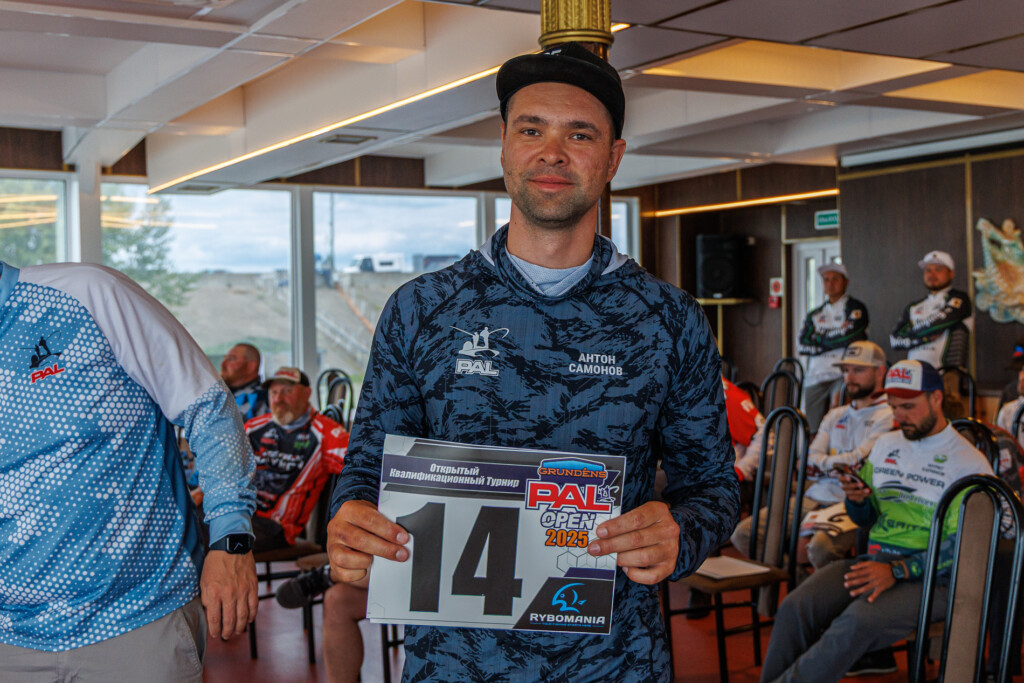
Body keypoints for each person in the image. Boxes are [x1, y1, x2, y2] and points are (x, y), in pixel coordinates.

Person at [326, 42, 739, 681]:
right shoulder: (422, 309)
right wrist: (351, 517)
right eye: (531, 130)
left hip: (615, 663)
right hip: (453, 665)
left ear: (613, 158)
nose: (553, 152)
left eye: (580, 134)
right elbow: (367, 470)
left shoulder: (668, 318)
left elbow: (712, 487)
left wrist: (682, 533)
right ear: (503, 147)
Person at [0, 260, 258, 681]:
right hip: (10, 637)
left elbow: (208, 408)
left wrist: (231, 539)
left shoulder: (87, 292)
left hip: (136, 617)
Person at [760, 360, 993, 683]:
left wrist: (897, 571)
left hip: (935, 579)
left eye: (908, 407)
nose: (899, 416)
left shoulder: (968, 463)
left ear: (936, 398)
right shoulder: (886, 445)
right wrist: (857, 501)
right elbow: (866, 519)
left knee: (855, 623)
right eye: (894, 407)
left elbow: (966, 550)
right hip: (876, 561)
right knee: (795, 607)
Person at [731, 341, 893, 569]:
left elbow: (857, 461)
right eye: (846, 370)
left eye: (858, 370)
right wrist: (837, 465)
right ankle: (800, 582)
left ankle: (817, 587)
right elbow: (810, 459)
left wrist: (822, 466)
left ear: (880, 372)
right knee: (743, 534)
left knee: (818, 549)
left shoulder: (889, 414)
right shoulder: (835, 414)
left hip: (852, 502)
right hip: (814, 495)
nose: (849, 377)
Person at [242, 367, 348, 552]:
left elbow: (362, 466)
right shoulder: (253, 428)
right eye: (274, 392)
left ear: (307, 393)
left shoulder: (326, 433)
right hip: (241, 513)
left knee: (203, 532)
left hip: (276, 528)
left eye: (287, 391)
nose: (278, 398)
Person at [797, 263, 869, 432]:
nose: (830, 284)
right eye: (826, 280)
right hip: (816, 375)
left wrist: (819, 339)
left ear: (846, 282)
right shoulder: (815, 314)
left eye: (835, 279)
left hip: (842, 374)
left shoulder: (855, 308)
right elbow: (802, 345)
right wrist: (835, 337)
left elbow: (851, 336)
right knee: (811, 428)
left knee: (837, 419)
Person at [890, 250, 972, 370]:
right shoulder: (913, 306)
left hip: (946, 373)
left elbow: (936, 325)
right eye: (928, 270)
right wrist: (923, 339)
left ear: (951, 273)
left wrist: (911, 334)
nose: (932, 274)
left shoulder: (960, 299)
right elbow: (894, 341)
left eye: (938, 269)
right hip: (913, 373)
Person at [221, 342, 269, 421]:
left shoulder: (264, 397)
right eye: (224, 358)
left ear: (250, 367)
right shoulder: (219, 394)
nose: (223, 364)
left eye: (231, 359)